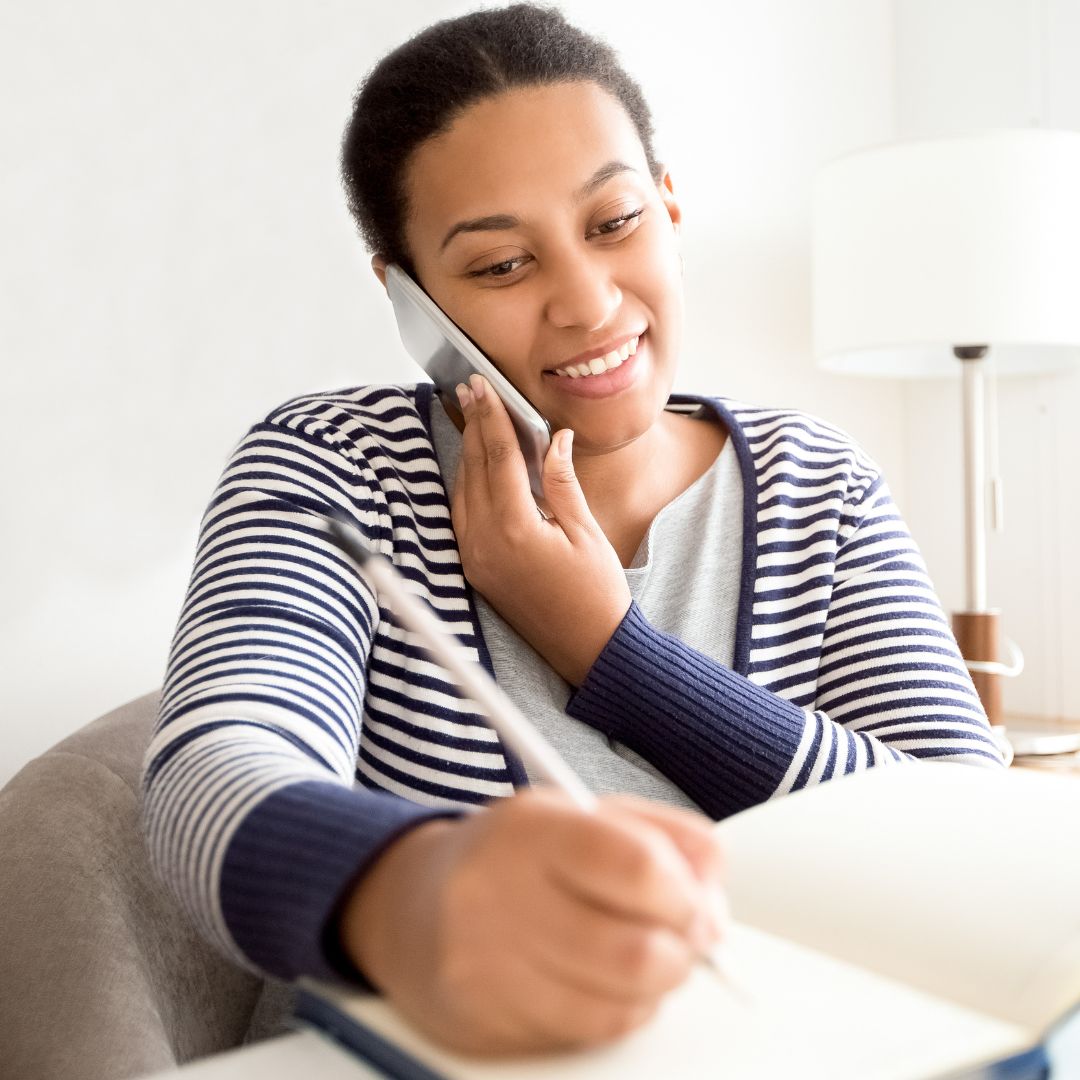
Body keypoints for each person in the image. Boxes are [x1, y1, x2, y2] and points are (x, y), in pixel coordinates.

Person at [141, 2, 1005, 1058]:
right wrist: (410, 893)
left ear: (671, 208)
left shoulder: (814, 481)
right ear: (409, 299)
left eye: (614, 223)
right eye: (502, 266)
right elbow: (211, 772)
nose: (590, 304)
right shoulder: (333, 466)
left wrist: (612, 651)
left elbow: (967, 833)